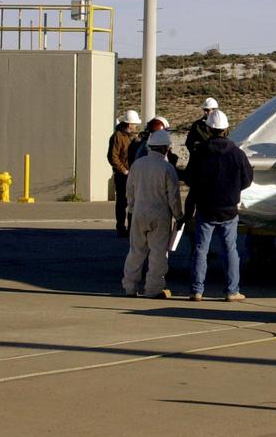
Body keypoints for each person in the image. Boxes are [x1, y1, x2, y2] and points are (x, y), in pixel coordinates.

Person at [184, 109, 253, 302]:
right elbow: (247, 179)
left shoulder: (199, 153)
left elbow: (189, 178)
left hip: (205, 208)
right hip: (229, 209)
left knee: (200, 249)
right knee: (230, 249)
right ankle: (232, 291)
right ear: (226, 129)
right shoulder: (237, 154)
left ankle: (197, 290)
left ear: (209, 128)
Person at [121, 129, 183, 298]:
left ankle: (130, 287)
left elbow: (130, 192)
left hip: (139, 213)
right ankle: (153, 289)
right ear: (165, 148)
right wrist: (179, 216)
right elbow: (173, 197)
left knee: (136, 251)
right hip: (160, 215)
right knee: (158, 253)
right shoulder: (167, 168)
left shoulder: (137, 165)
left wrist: (131, 211)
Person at [108, 110, 141, 238]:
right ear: (129, 124)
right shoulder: (117, 137)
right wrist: (123, 170)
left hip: (132, 174)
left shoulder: (132, 137)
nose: (136, 127)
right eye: (134, 124)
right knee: (122, 202)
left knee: (133, 202)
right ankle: (121, 227)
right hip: (123, 175)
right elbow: (113, 156)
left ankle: (131, 228)